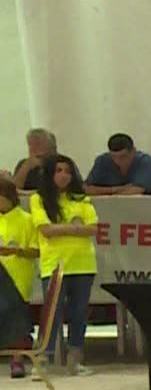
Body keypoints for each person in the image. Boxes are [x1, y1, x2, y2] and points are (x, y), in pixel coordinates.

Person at [26, 156, 99, 376]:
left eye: (67, 171)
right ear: (50, 174)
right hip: (55, 264)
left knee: (79, 314)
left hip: (83, 263)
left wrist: (62, 228)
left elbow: (93, 228)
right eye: (59, 171)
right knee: (52, 314)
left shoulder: (81, 199)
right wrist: (75, 228)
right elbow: (46, 230)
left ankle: (75, 360)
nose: (64, 175)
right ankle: (43, 359)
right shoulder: (39, 199)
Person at [0, 179, 39, 378]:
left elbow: (36, 250)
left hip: (18, 277)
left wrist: (15, 251)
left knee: (16, 318)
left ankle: (17, 360)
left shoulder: (26, 220)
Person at [85, 133, 151, 196]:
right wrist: (118, 189)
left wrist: (106, 194)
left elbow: (137, 190)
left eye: (123, 156)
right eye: (113, 157)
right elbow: (87, 189)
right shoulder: (102, 161)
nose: (118, 161)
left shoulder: (144, 161)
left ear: (133, 151)